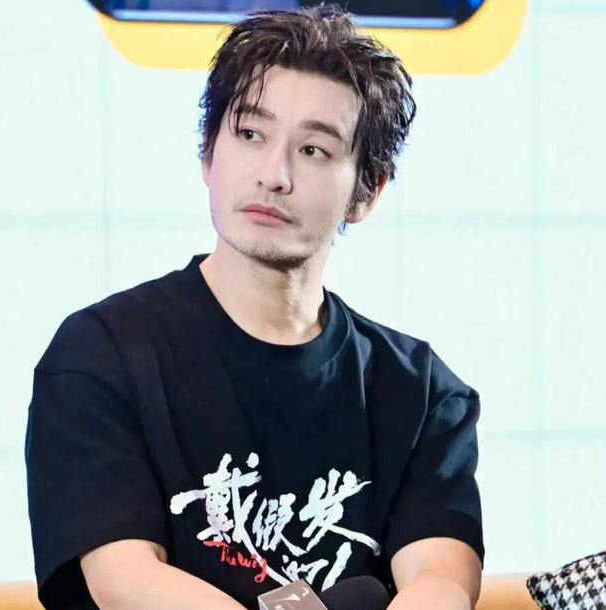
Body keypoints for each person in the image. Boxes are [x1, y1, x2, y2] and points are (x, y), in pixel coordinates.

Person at [25, 4, 484, 609]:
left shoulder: (421, 392)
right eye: (250, 135)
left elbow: (441, 579)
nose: (275, 175)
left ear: (367, 192)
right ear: (207, 153)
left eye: (314, 150)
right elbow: (124, 580)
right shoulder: (101, 354)